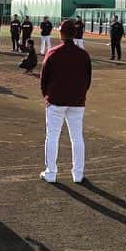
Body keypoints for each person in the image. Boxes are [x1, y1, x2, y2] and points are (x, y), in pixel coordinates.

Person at [39, 19, 92, 184]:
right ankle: (77, 174)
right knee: (77, 137)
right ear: (75, 33)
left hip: (56, 100)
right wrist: (81, 94)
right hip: (77, 101)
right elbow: (88, 79)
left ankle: (51, 173)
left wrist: (46, 95)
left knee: (52, 136)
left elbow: (44, 78)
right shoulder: (83, 54)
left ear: (61, 33)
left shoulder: (53, 52)